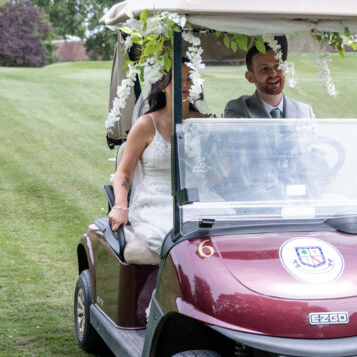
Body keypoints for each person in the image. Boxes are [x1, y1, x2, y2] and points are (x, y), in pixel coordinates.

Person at [108, 65, 204, 265]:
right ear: (163, 85)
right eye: (179, 79)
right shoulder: (146, 125)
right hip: (157, 200)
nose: (186, 84)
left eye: (190, 78)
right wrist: (120, 205)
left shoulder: (203, 122)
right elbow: (124, 172)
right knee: (175, 236)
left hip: (197, 197)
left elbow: (212, 172)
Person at [223, 36, 314, 119]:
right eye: (264, 69)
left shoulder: (305, 111)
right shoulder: (238, 109)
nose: (273, 74)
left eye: (277, 66)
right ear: (250, 77)